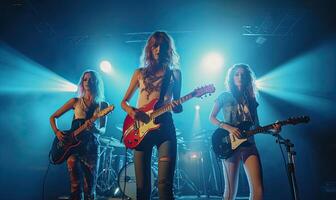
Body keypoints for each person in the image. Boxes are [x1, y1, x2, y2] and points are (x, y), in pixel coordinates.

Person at [121, 31, 182, 200]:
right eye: (155, 45)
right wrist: (132, 111)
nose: (158, 49)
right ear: (150, 48)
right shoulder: (139, 72)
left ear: (168, 49)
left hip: (165, 128)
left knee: (165, 185)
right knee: (141, 188)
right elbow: (123, 102)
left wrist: (178, 106)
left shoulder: (175, 74)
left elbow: (177, 105)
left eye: (163, 45)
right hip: (140, 127)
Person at [209, 64, 281, 200]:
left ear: (248, 78)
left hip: (249, 145)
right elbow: (211, 117)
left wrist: (273, 130)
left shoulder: (252, 100)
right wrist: (228, 127)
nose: (240, 77)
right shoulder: (224, 96)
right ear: (231, 78)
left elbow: (257, 126)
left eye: (243, 74)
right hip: (230, 144)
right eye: (237, 74)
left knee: (258, 191)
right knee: (230, 192)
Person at [50, 70, 108, 200]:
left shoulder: (103, 105)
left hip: (91, 147)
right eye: (85, 79)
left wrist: (95, 130)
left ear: (97, 82)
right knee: (75, 185)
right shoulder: (75, 101)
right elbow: (53, 117)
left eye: (91, 79)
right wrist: (57, 132)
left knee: (90, 187)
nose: (88, 81)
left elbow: (103, 130)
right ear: (82, 82)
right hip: (73, 147)